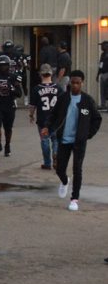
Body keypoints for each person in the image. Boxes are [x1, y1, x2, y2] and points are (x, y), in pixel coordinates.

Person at [48, 70, 102, 211]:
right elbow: (53, 115)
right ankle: (65, 181)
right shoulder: (63, 98)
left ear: (82, 83)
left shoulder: (88, 100)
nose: (75, 85)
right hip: (64, 140)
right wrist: (47, 127)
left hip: (79, 142)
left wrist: (87, 134)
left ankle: (74, 199)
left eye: (78, 83)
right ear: (70, 83)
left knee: (77, 169)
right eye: (73, 82)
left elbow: (97, 119)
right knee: (59, 169)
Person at [0, 55, 23, 156]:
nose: (3, 68)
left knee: (8, 127)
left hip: (9, 104)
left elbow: (19, 93)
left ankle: (7, 145)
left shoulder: (13, 77)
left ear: (9, 66)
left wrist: (12, 89)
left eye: (5, 65)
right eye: (1, 65)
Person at [29, 64, 59, 170]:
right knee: (56, 140)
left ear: (40, 75)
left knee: (45, 140)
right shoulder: (58, 88)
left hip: (43, 119)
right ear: (51, 74)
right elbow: (64, 104)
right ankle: (56, 155)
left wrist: (31, 115)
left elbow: (33, 105)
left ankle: (47, 163)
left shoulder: (36, 89)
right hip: (56, 120)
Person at [97, 41, 108, 111]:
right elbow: (100, 65)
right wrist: (98, 75)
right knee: (102, 90)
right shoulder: (103, 54)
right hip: (103, 74)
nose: (101, 47)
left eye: (102, 45)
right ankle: (103, 105)